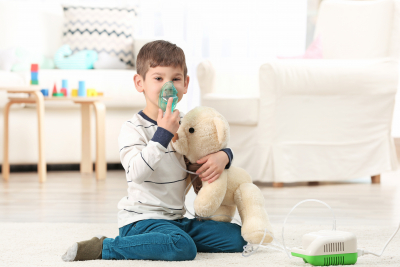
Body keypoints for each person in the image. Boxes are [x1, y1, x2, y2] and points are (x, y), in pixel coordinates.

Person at [62, 40, 246, 262]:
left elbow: (208, 145)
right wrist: (162, 135)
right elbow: (136, 173)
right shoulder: (133, 128)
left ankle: (165, 241)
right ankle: (107, 247)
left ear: (186, 84)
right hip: (141, 221)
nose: (168, 86)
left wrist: (224, 156)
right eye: (158, 78)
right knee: (182, 248)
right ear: (140, 83)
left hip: (176, 220)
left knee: (238, 238)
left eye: (175, 79)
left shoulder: (188, 124)